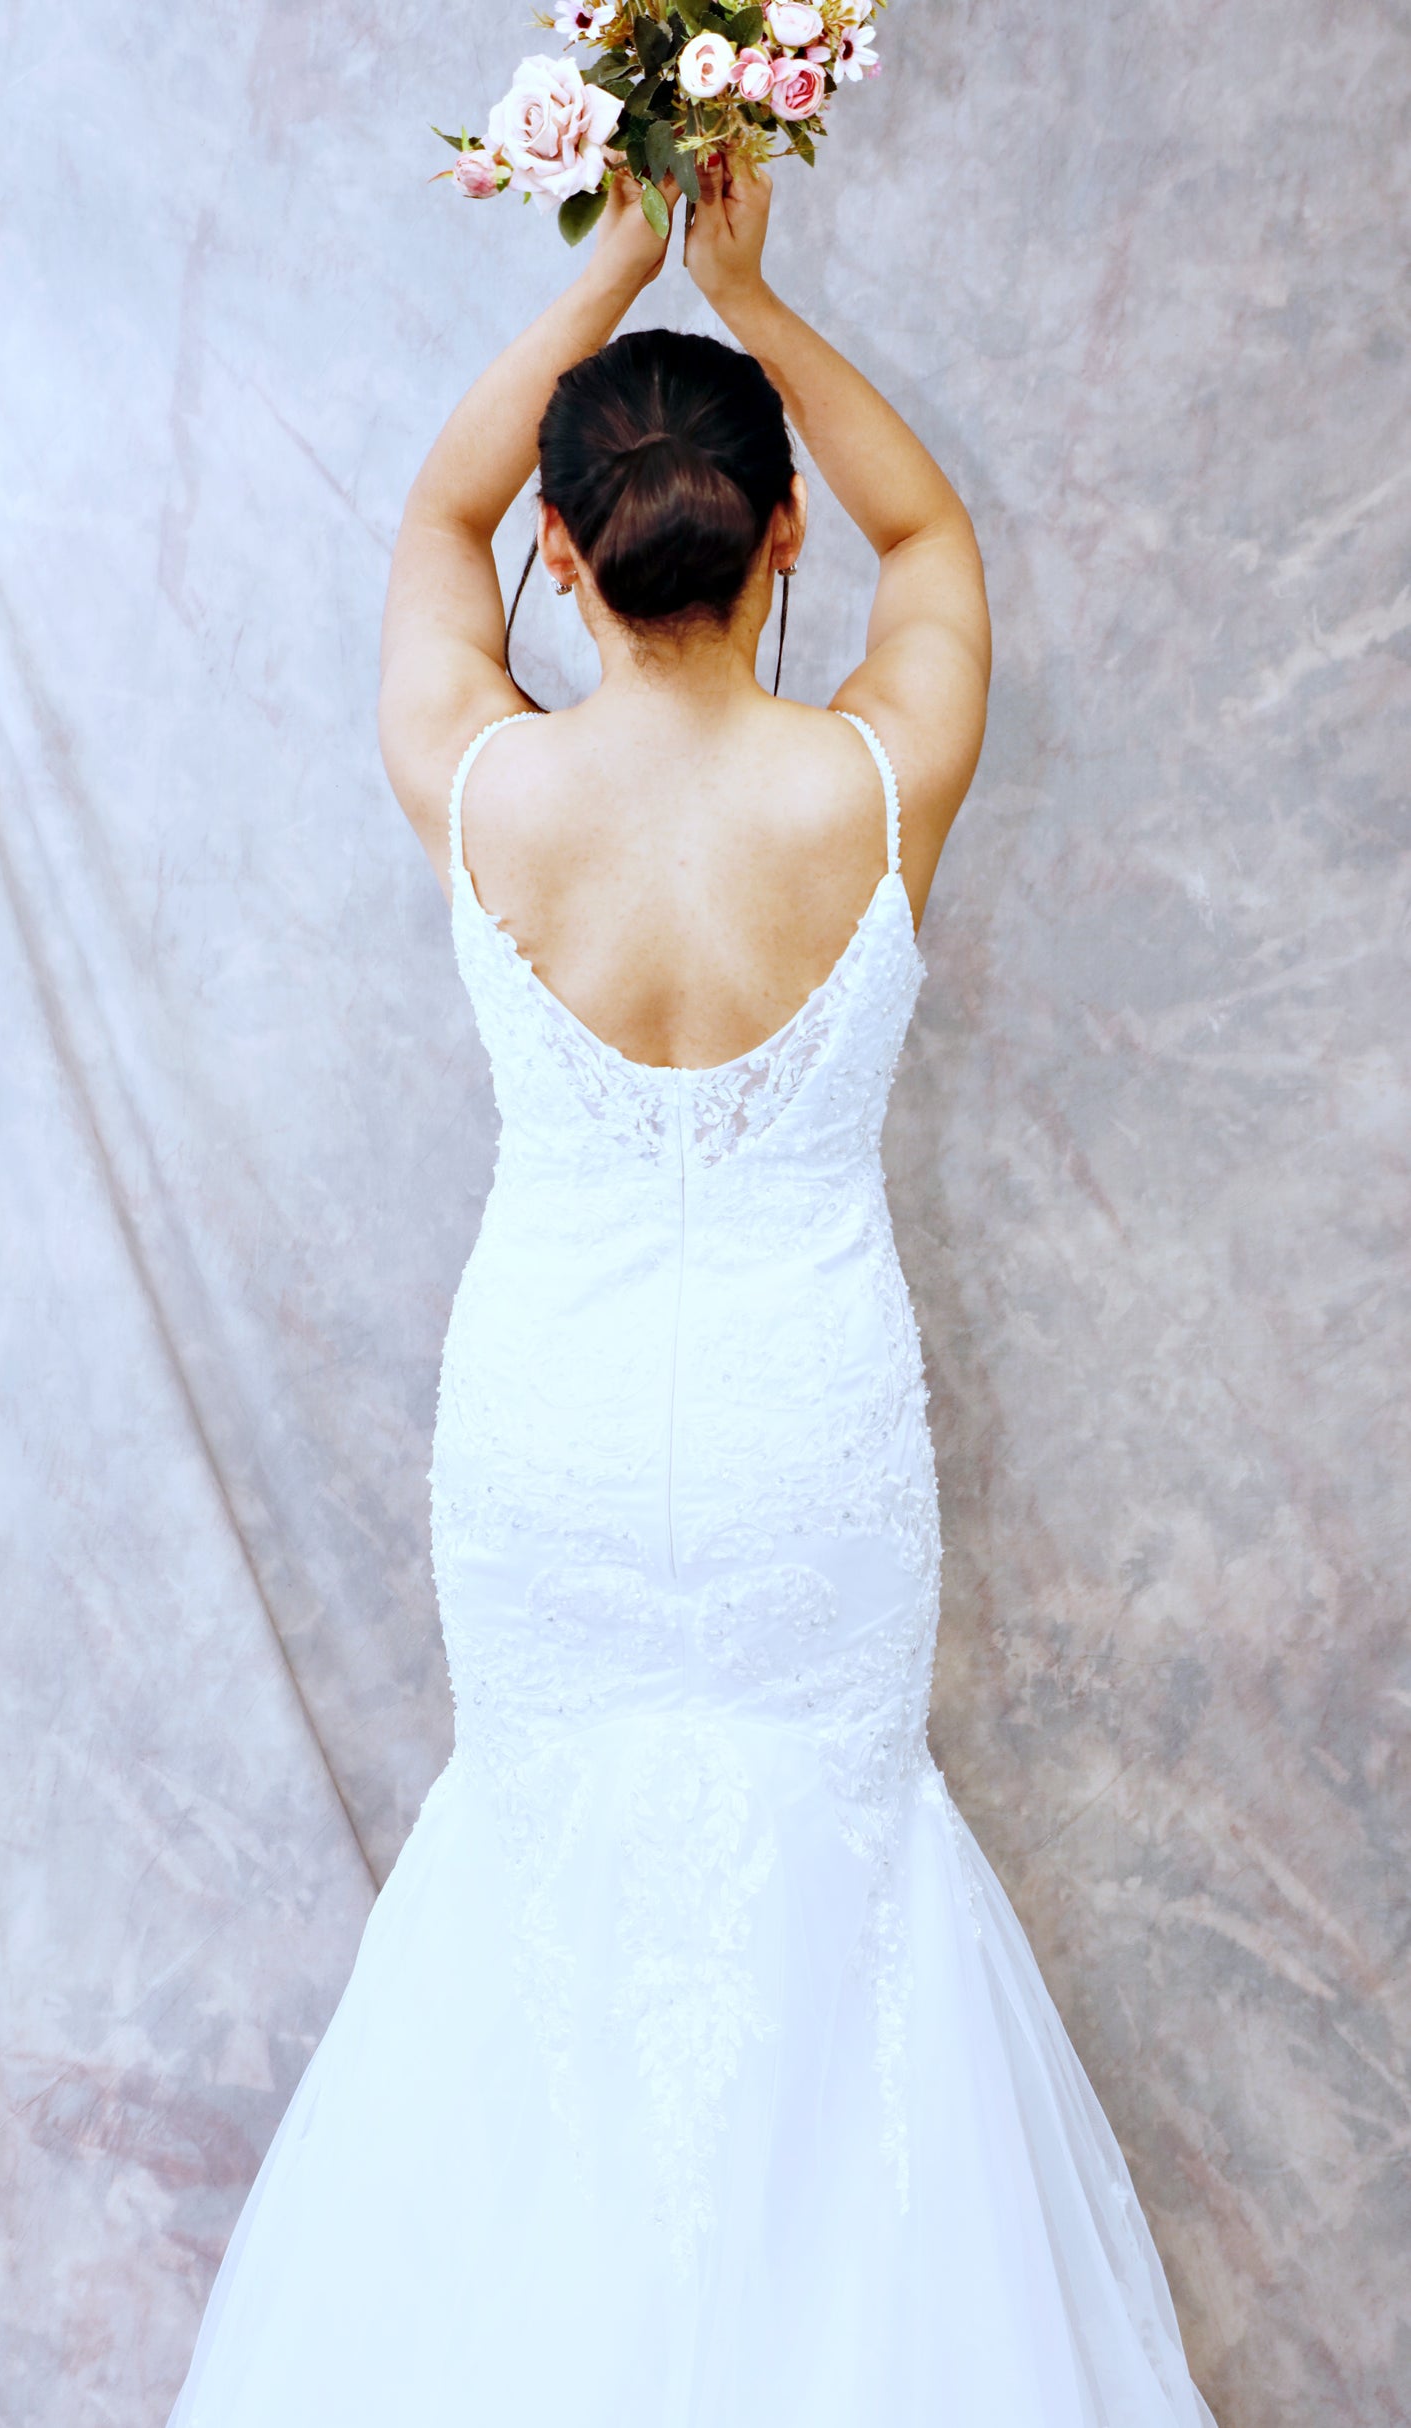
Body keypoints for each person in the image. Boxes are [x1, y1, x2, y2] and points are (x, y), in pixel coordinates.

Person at [166, 159, 1215, 2426]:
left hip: (544, 1442)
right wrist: (749, 288)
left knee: (537, 1875)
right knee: (839, 1905)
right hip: (801, 1447)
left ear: (564, 553)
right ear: (778, 536)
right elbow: (936, 540)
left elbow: (430, 527)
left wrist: (619, 272)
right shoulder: (877, 782)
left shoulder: (487, 788)